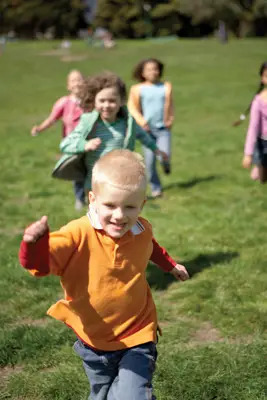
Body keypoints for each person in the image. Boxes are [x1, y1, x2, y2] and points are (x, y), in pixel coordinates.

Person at [19, 149, 189, 400]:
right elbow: (41, 266)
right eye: (110, 205)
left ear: (142, 204)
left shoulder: (141, 228)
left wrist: (170, 265)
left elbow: (151, 247)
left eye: (129, 206)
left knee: (131, 395)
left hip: (138, 334)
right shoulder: (76, 234)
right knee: (100, 394)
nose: (120, 216)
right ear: (92, 199)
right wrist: (33, 244)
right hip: (93, 341)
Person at [57, 71, 168, 194]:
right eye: (102, 100)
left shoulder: (128, 122)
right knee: (96, 212)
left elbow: (143, 135)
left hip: (120, 179)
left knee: (120, 212)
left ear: (121, 101)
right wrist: (84, 145)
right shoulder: (88, 122)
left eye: (112, 100)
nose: (107, 105)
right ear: (94, 101)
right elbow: (65, 144)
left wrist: (156, 149)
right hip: (95, 181)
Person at [31, 70, 86, 209]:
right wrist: (40, 128)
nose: (77, 83)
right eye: (73, 80)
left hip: (90, 141)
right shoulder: (64, 102)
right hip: (72, 144)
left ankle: (95, 198)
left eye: (79, 79)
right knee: (78, 171)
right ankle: (80, 199)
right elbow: (52, 119)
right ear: (68, 85)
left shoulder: (90, 101)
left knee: (92, 170)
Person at [128, 58, 174, 198]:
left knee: (164, 154)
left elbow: (170, 105)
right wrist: (142, 122)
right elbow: (132, 108)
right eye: (149, 69)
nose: (153, 72)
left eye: (155, 68)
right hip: (147, 130)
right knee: (149, 161)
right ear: (142, 73)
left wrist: (170, 120)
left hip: (163, 129)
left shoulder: (166, 86)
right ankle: (156, 188)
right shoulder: (137, 89)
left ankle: (166, 164)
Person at [233, 62, 267, 183]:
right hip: (263, 143)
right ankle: (258, 168)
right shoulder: (258, 101)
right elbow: (253, 127)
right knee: (263, 180)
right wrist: (248, 154)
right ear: (262, 79)